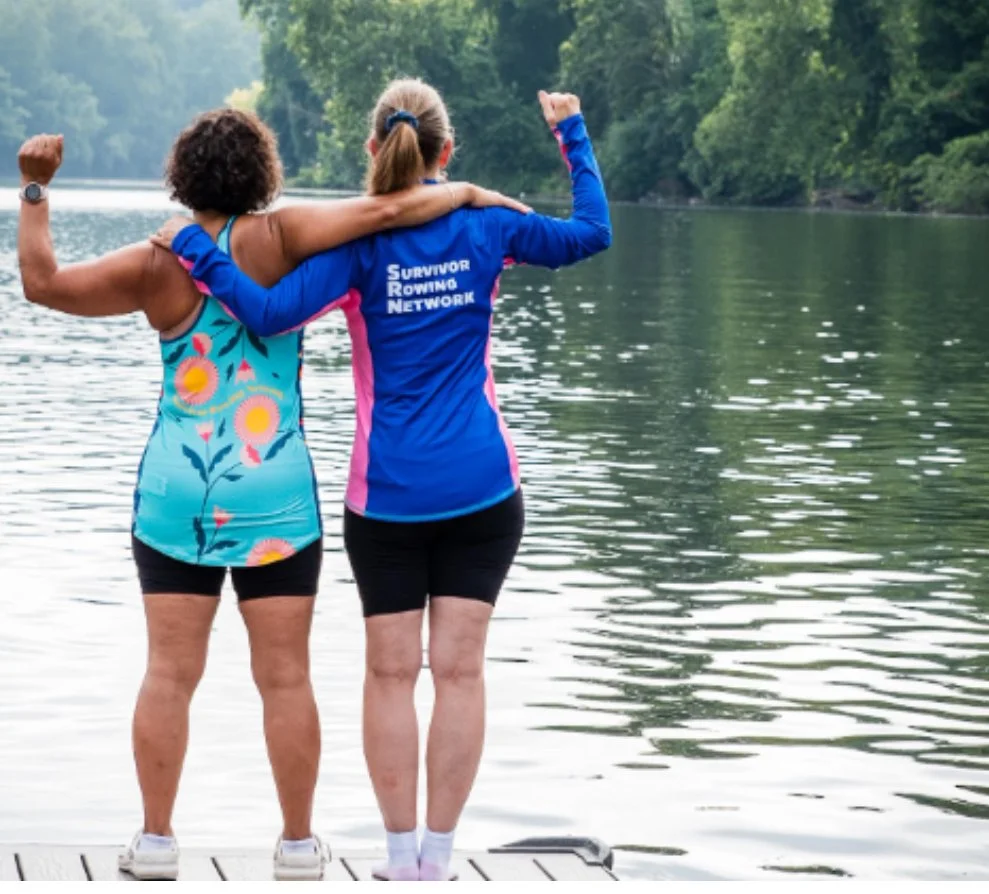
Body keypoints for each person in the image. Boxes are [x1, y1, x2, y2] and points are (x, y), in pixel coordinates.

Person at [16, 108, 525, 881]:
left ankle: (154, 842)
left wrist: (34, 190)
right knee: (284, 676)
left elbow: (42, 284)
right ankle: (295, 846)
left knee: (167, 674)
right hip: (274, 490)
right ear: (262, 175)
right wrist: (468, 195)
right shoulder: (284, 239)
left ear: (181, 178)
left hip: (176, 491)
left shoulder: (157, 263)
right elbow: (389, 209)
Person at [155, 80, 611, 881]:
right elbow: (590, 234)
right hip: (483, 489)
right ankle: (436, 862)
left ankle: (398, 861)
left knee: (390, 675)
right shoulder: (488, 225)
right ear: (447, 152)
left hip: (387, 498)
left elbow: (263, 313)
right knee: (462, 672)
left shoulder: (355, 251)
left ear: (375, 151)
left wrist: (195, 251)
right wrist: (570, 132)